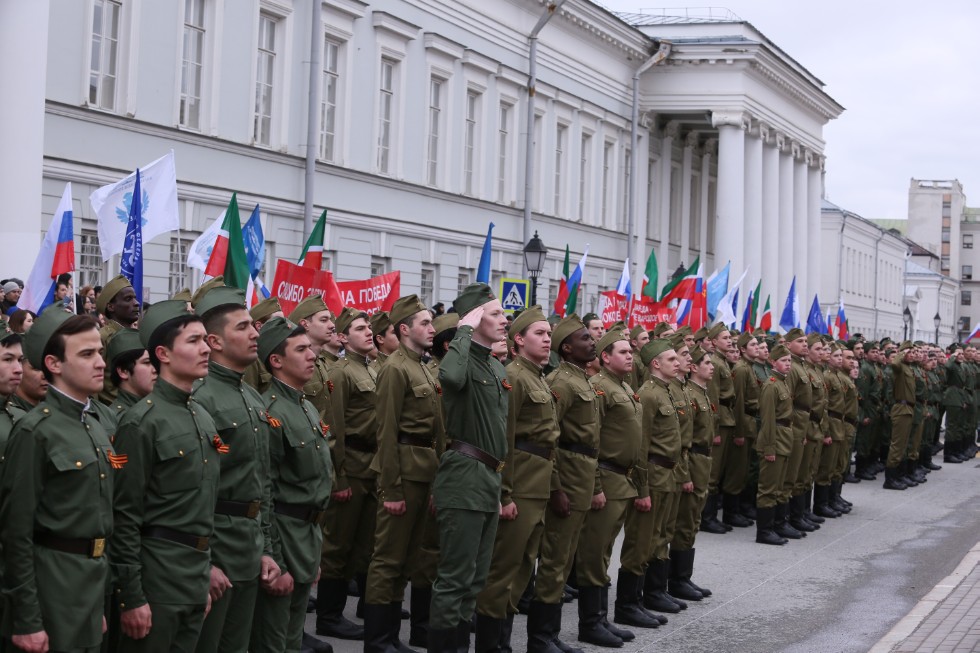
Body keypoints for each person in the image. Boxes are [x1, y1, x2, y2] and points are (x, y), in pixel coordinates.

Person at [111, 300, 221, 651]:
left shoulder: (201, 416)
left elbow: (203, 506)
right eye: (193, 341)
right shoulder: (141, 422)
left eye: (206, 339)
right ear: (163, 354)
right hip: (157, 579)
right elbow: (124, 515)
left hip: (195, 574)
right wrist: (132, 596)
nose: (206, 348)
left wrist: (203, 575)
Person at [1, 309, 113, 653]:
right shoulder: (35, 431)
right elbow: (16, 533)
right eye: (87, 354)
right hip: (52, 590)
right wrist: (27, 620)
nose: (101, 363)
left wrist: (97, 604)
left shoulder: (93, 426)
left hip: (90, 586)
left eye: (100, 353)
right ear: (54, 364)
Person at [191, 286, 280, 653]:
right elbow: (193, 490)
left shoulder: (251, 395)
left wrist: (266, 548)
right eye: (243, 327)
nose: (255, 333)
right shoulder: (201, 396)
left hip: (248, 543)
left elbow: (262, 482)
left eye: (252, 326)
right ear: (214, 341)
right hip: (217, 546)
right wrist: (204, 560)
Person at [474, 306, 564, 652]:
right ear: (519, 340)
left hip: (537, 485)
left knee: (522, 569)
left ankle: (503, 643)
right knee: (503, 571)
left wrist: (553, 487)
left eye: (548, 334)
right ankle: (490, 646)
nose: (547, 339)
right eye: (539, 334)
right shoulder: (513, 376)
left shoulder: (537, 376)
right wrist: (505, 494)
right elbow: (504, 441)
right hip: (520, 486)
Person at [429, 283, 508, 653]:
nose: (504, 319)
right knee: (455, 579)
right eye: (495, 314)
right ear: (475, 319)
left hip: (488, 477)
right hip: (464, 475)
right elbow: (450, 378)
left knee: (475, 579)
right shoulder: (461, 358)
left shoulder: (494, 364)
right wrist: (463, 330)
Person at [250, 317, 335, 653]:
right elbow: (264, 492)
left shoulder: (307, 407)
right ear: (276, 360)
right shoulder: (270, 411)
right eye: (301, 350)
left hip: (306, 536)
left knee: (292, 639)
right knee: (273, 642)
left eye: (310, 348)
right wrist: (276, 559)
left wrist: (313, 555)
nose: (312, 355)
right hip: (283, 537)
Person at [366, 297, 445, 653]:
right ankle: (378, 640)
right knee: (388, 559)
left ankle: (393, 637)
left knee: (409, 559)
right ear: (404, 329)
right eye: (425, 323)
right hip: (403, 474)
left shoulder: (423, 367)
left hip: (424, 470)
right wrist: (391, 489)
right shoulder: (395, 369)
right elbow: (385, 432)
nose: (432, 328)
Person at [527, 314, 599, 653]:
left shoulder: (582, 379)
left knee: (566, 558)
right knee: (555, 559)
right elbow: (549, 439)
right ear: (567, 348)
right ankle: (540, 638)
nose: (592, 342)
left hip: (582, 474)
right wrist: (556, 487)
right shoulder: (560, 382)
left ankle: (551, 635)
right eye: (585, 338)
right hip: (567, 477)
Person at [575, 331, 644, 648]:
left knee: (603, 552)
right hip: (606, 476)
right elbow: (592, 441)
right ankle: (590, 623)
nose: (630, 356)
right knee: (594, 553)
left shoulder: (625, 387)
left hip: (623, 480)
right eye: (623, 352)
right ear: (605, 357)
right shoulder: (599, 388)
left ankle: (601, 618)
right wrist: (596, 486)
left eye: (631, 352)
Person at [668, 345, 714, 600]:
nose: (712, 367)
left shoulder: (695, 392)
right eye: (706, 362)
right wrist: (685, 474)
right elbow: (682, 439)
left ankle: (683, 576)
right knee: (684, 521)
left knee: (692, 519)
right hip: (691, 460)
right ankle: (676, 580)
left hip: (701, 460)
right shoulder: (686, 393)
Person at [755, 344, 794, 546]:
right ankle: (764, 531)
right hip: (774, 439)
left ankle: (778, 524)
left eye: (789, 360)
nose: (788, 364)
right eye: (784, 360)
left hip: (784, 438)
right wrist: (769, 447)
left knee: (779, 486)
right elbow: (768, 419)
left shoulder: (782, 382)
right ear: (773, 362)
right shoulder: (771, 385)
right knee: (768, 488)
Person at [700, 324, 735, 534]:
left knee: (719, 471)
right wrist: (714, 430)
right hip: (720, 421)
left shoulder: (722, 361)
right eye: (725, 338)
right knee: (712, 474)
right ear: (714, 342)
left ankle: (711, 516)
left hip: (726, 418)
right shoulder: (714, 362)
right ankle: (707, 518)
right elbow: (713, 398)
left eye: (730, 337)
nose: (729, 341)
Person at [97, 275, 141, 404]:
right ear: (111, 307)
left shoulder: (138, 336)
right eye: (128, 299)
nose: (136, 303)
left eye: (135, 298)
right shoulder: (102, 337)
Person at [884, 342, 916, 490]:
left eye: (912, 352)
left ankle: (899, 476)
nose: (912, 355)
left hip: (908, 408)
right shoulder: (900, 367)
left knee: (903, 446)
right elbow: (894, 363)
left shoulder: (909, 368)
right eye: (909, 352)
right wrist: (902, 352)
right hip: (901, 408)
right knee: (897, 446)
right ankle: (890, 480)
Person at [106, 329, 157, 417]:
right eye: (147, 362)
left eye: (155, 362)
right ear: (123, 371)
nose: (155, 369)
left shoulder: (157, 407)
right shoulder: (117, 418)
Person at [242, 296, 283, 394]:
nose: (284, 326)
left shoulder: (277, 352)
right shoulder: (251, 359)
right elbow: (250, 396)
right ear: (259, 326)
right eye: (278, 322)